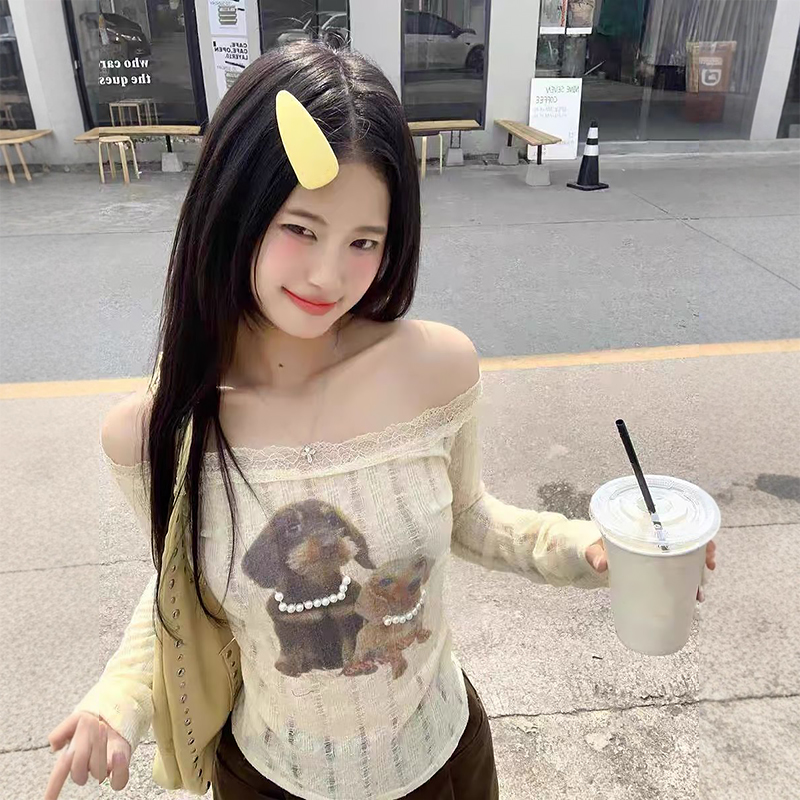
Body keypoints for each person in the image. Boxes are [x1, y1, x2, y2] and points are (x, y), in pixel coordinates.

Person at [45, 40, 716, 800]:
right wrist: (116, 700)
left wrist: (589, 546)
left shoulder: (435, 368)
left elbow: (470, 518)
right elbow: (180, 586)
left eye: (363, 241)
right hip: (269, 778)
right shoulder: (157, 432)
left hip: (440, 764)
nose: (329, 275)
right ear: (232, 211)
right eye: (301, 228)